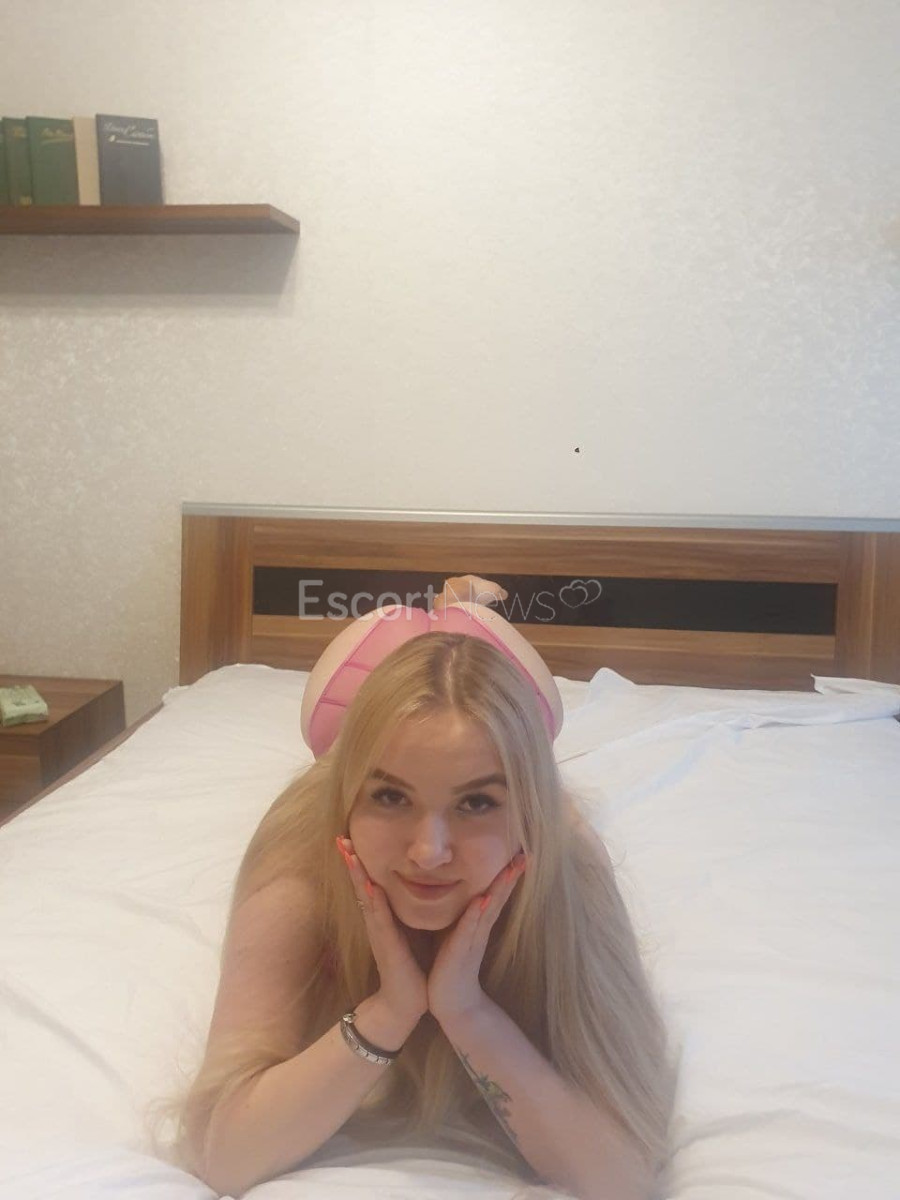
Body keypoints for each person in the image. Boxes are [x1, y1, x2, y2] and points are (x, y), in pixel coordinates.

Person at [150, 575, 677, 1198]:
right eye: (389, 796)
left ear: (529, 813)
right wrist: (389, 1012)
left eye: (477, 802)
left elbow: (620, 1179)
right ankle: (451, 615)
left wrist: (467, 1011)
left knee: (474, 687)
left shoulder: (567, 859)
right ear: (349, 799)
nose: (429, 853)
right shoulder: (299, 865)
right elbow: (227, 1157)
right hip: (337, 762)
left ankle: (467, 612)